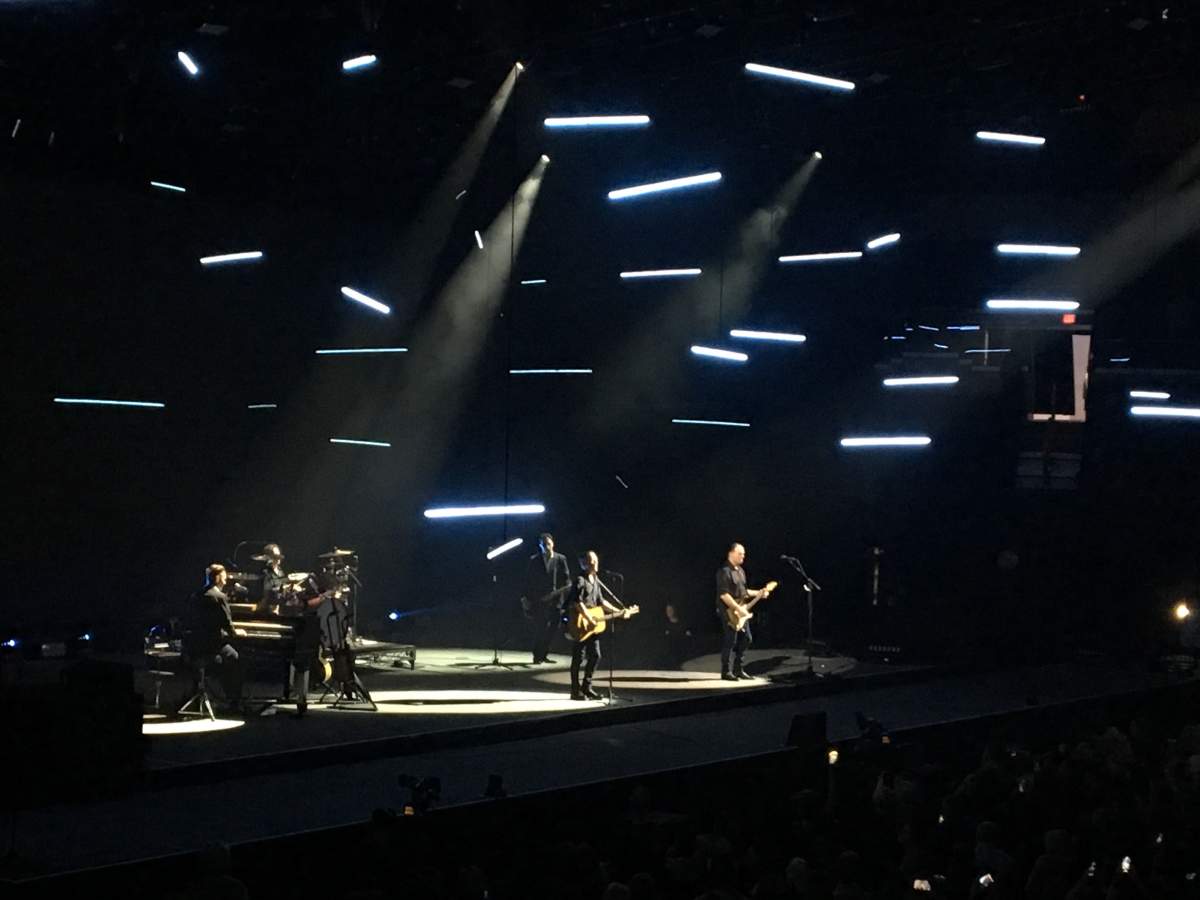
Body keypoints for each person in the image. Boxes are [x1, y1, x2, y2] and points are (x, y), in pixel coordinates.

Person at [568, 550, 630, 700]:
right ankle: (575, 691)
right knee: (578, 658)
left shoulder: (596, 580)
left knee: (596, 655)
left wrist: (620, 611)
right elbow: (577, 602)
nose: (595, 564)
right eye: (591, 561)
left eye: (596, 560)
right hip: (580, 624)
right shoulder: (580, 580)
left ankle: (587, 687)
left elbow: (602, 603)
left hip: (593, 627)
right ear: (584, 564)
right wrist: (588, 617)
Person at [186, 563, 246, 708]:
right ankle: (233, 700)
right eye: (224, 578)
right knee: (235, 658)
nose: (226, 581)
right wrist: (237, 632)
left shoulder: (195, 596)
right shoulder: (219, 597)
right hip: (212, 644)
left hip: (194, 644)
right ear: (219, 578)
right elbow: (227, 623)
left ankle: (200, 693)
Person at [715, 542, 772, 681]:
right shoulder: (723, 571)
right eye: (740, 553)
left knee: (747, 638)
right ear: (731, 553)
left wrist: (759, 593)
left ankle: (738, 669)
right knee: (731, 639)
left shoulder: (741, 571)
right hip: (728, 610)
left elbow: (744, 592)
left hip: (741, 610)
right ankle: (725, 671)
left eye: (744, 554)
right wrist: (737, 608)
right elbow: (724, 595)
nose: (743, 556)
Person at [522, 532, 571, 665]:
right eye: (544, 545)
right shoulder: (534, 560)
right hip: (540, 600)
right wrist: (527, 598)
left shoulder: (561, 559)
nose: (547, 547)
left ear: (553, 544)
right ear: (540, 546)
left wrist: (560, 592)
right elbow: (528, 581)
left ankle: (544, 654)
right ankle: (537, 655)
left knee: (553, 629)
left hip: (556, 600)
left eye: (548, 544)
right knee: (540, 628)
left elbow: (567, 579)